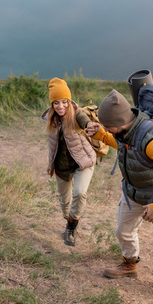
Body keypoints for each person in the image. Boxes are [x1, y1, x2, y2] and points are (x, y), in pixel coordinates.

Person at [85, 89, 153, 296]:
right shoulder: (126, 130)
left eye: (108, 127)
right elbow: (123, 145)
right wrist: (101, 135)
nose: (106, 129)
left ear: (121, 123)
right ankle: (130, 264)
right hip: (133, 193)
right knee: (123, 231)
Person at [42, 78, 97, 246]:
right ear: (52, 104)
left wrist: (90, 125)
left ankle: (71, 228)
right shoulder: (51, 119)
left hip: (83, 163)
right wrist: (51, 166)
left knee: (79, 193)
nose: (61, 107)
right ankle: (69, 221)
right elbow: (52, 147)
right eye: (56, 103)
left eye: (64, 102)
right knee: (64, 203)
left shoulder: (77, 113)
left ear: (69, 101)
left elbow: (84, 121)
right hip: (61, 166)